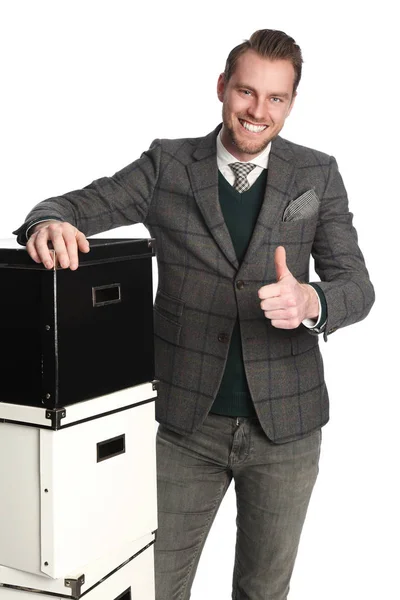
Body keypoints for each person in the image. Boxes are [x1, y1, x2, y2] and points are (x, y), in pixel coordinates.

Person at [14, 29, 374, 600]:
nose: (258, 112)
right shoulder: (168, 165)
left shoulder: (317, 174)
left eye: (275, 98)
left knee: (263, 591)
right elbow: (71, 205)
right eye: (246, 92)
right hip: (185, 426)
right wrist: (48, 224)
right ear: (222, 88)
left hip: (288, 429)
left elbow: (357, 285)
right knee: (153, 585)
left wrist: (312, 301)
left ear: (291, 103)